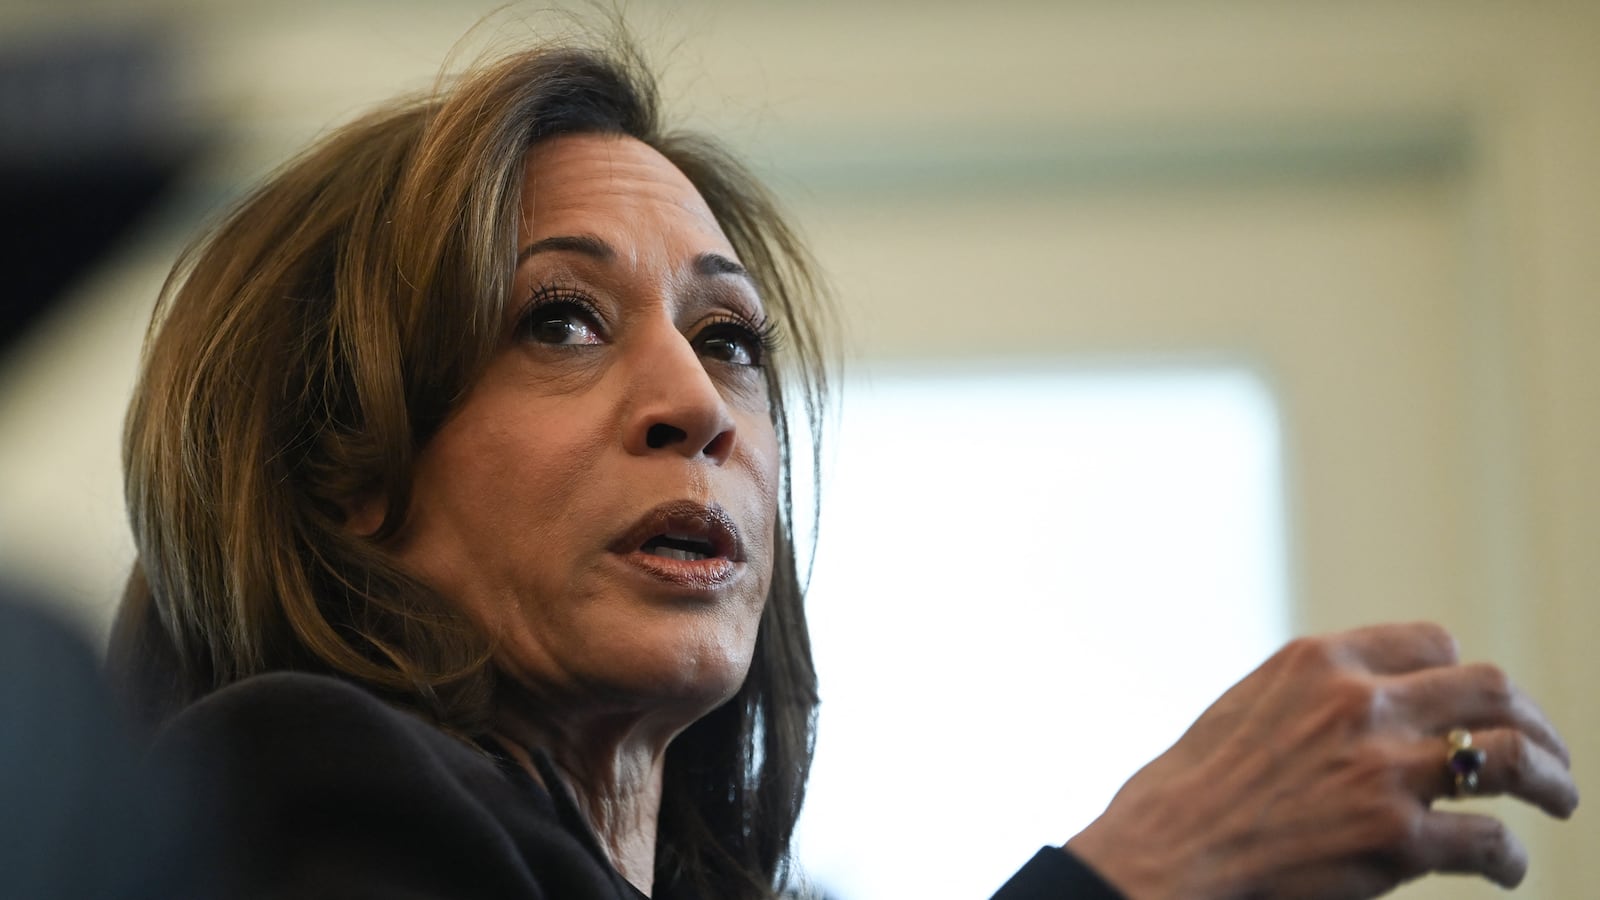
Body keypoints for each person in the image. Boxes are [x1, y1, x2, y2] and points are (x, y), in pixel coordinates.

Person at [110, 34, 1577, 900]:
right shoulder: (292, 788)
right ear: (341, 472)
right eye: (559, 320)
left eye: (731, 337)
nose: (699, 402)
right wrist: (1134, 877)